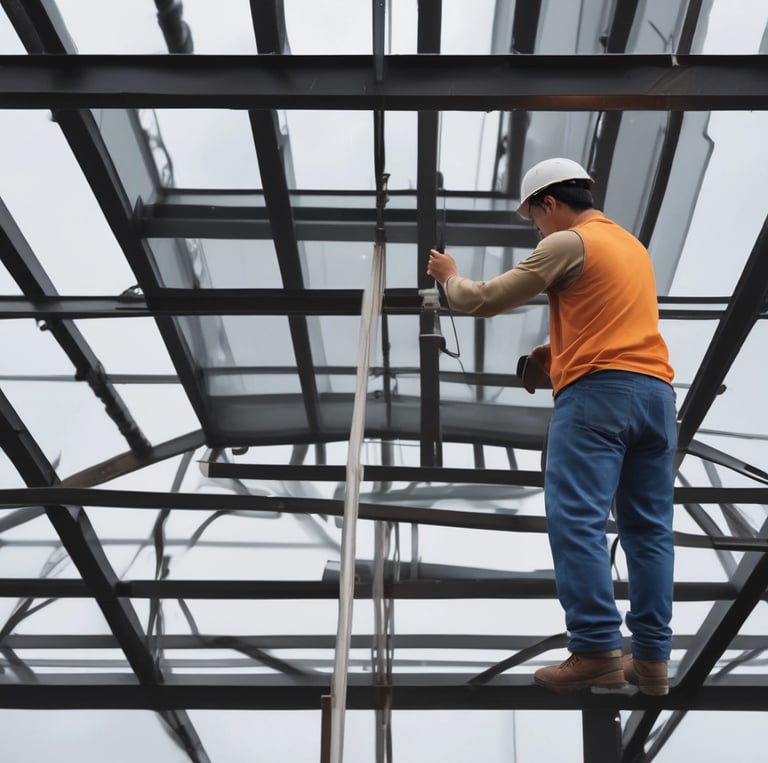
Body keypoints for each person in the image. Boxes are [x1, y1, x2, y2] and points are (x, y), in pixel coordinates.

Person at [426, 157, 676, 695]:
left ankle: (596, 649)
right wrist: (556, 353)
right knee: (649, 531)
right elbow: (611, 319)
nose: (537, 230)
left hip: (597, 397)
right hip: (656, 397)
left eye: (534, 219)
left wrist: (449, 277)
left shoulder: (569, 241)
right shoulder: (631, 246)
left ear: (550, 202)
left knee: (577, 520)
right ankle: (652, 659)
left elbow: (483, 299)